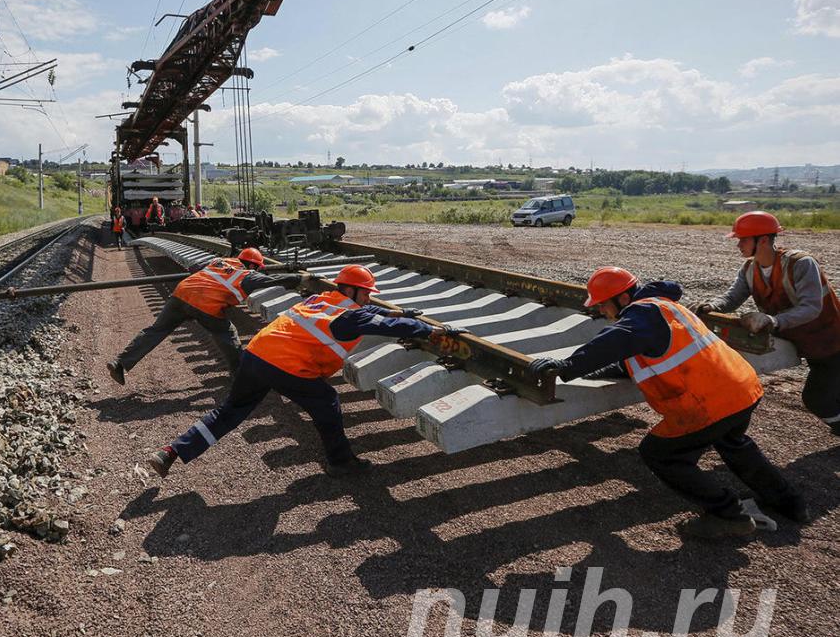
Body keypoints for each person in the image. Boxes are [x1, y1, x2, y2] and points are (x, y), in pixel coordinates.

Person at [529, 266, 808, 539]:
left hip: (710, 403)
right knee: (733, 443)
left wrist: (565, 366)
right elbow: (637, 356)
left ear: (623, 298)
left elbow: (612, 342)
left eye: (603, 305)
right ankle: (789, 502)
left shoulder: (641, 315)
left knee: (661, 454)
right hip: (741, 389)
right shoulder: (662, 308)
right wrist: (596, 372)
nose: (601, 311)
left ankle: (728, 515)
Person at [147, 265, 465, 478]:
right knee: (326, 401)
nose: (369, 297)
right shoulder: (350, 316)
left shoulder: (323, 299)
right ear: (353, 292)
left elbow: (370, 312)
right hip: (285, 365)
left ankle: (171, 451)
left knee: (230, 411)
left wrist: (399, 311)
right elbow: (390, 325)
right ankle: (342, 463)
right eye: (366, 292)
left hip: (255, 354)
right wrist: (428, 329)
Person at [693, 211, 840, 435]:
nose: (738, 245)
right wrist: (711, 306)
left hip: (832, 343)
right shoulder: (750, 270)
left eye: (743, 239)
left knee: (818, 399)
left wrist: (773, 320)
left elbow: (811, 307)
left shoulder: (801, 264)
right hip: (811, 345)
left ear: (762, 240)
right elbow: (732, 297)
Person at [106, 247, 304, 384]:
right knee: (228, 335)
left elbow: (195, 269)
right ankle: (239, 376)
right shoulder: (247, 275)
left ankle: (120, 363)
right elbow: (273, 280)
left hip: (181, 295)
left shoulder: (220, 261)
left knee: (155, 331)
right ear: (253, 266)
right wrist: (300, 278)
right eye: (258, 267)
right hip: (206, 304)